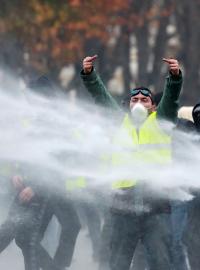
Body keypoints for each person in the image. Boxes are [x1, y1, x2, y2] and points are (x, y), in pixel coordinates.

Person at [80, 55, 182, 270]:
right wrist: (90, 75)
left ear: (154, 106)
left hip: (156, 205)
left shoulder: (162, 120)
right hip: (123, 206)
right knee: (118, 263)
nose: (138, 102)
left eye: (144, 100)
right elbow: (101, 96)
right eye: (134, 100)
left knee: (161, 262)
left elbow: (171, 98)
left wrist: (174, 77)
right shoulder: (119, 121)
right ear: (128, 105)